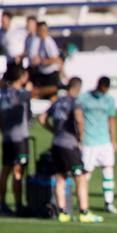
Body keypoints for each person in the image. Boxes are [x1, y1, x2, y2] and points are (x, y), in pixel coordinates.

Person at [42, 77, 102, 223]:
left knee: (60, 178)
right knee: (80, 178)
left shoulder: (58, 101)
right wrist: (80, 138)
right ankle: (84, 212)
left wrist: (53, 131)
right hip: (69, 145)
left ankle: (62, 213)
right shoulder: (75, 102)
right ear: (78, 88)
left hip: (56, 144)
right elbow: (79, 120)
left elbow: (42, 118)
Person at [81, 76, 117, 213]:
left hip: (104, 141)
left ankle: (109, 202)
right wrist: (80, 138)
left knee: (108, 170)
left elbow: (112, 120)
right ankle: (83, 203)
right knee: (86, 173)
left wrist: (113, 140)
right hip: (89, 142)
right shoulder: (84, 98)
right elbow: (78, 117)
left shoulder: (109, 100)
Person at [0, 64, 32, 215]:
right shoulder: (23, 94)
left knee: (5, 170)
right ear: (21, 77)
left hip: (7, 136)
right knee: (18, 171)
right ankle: (19, 205)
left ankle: (2, 204)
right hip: (20, 138)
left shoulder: (3, 94)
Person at [28, 21, 59, 99]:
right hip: (41, 72)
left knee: (51, 96)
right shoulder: (38, 41)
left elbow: (55, 59)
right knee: (36, 94)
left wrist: (42, 61)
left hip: (50, 74)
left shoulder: (49, 42)